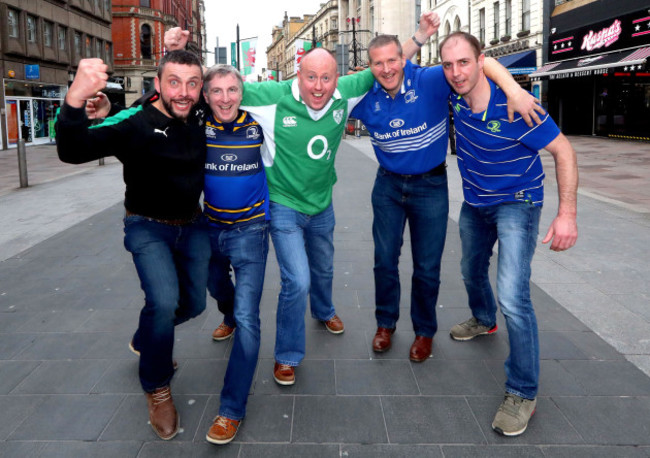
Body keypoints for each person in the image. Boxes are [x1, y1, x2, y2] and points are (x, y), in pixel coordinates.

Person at [349, 14, 545, 362]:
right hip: (388, 187)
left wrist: (514, 88)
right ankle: (385, 323)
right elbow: (320, 96)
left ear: (404, 60)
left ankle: (424, 331)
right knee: (384, 260)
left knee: (427, 265)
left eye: (394, 60)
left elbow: (480, 63)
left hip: (431, 185)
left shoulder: (430, 80)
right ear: (370, 67)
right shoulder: (364, 95)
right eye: (378, 63)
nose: (387, 69)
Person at [55, 51, 210, 441]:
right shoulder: (135, 122)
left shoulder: (200, 111)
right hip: (147, 226)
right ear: (157, 84)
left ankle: (147, 338)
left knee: (192, 305)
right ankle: (157, 387)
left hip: (193, 224)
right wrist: (75, 98)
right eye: (174, 82)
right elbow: (72, 151)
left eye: (193, 83)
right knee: (162, 302)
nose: (185, 92)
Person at [439, 31, 578, 436]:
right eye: (448, 65)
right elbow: (454, 68)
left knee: (514, 296)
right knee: (469, 268)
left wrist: (567, 213)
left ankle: (523, 392)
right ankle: (484, 319)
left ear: (481, 62)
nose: (456, 72)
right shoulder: (454, 96)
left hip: (518, 201)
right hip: (476, 202)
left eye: (464, 63)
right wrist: (507, 78)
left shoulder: (518, 108)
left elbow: (564, 151)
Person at [200, 64, 269, 444]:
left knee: (248, 316)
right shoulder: (198, 128)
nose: (225, 98)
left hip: (251, 230)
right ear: (205, 96)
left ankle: (231, 410)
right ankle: (226, 312)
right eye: (217, 91)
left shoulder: (259, 124)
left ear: (242, 92)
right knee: (215, 286)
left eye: (232, 90)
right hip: (209, 228)